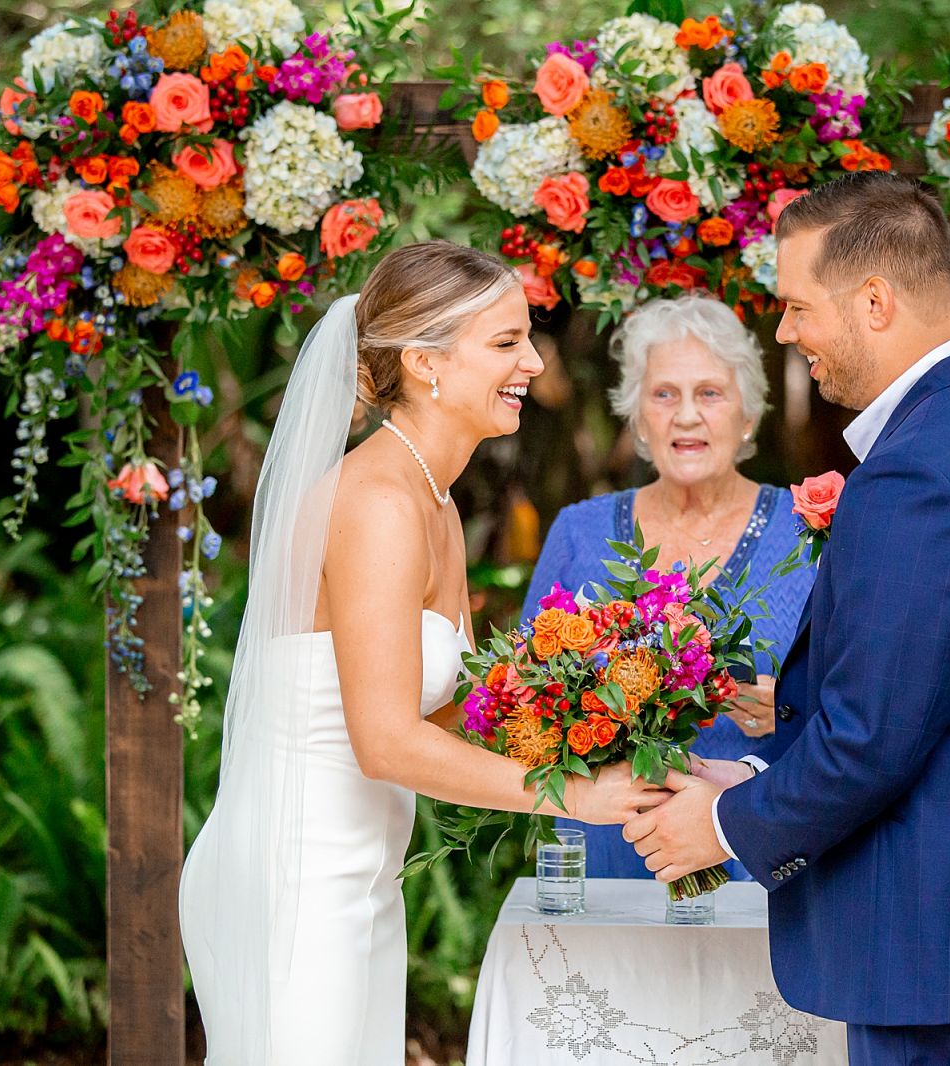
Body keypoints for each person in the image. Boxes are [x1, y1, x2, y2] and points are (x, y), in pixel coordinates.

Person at [622, 173, 950, 1065]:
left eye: (797, 306)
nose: (784, 331)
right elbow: (949, 697)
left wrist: (724, 825)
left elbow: (872, 742)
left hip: (945, 948)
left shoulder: (917, 469)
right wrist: (754, 760)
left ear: (875, 302)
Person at [178, 241, 671, 1065]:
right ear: (424, 362)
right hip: (295, 880)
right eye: (506, 341)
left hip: (362, 875)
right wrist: (575, 797)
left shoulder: (431, 497)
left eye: (529, 338)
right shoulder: (375, 501)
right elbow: (386, 744)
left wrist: (607, 719)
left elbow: (454, 710)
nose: (534, 361)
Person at [521, 293, 815, 880]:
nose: (686, 415)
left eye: (710, 393)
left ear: (749, 414)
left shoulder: (810, 535)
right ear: (636, 420)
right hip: (607, 851)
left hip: (758, 859)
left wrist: (787, 709)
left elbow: (863, 715)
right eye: (664, 395)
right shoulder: (579, 531)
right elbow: (525, 704)